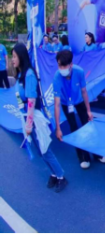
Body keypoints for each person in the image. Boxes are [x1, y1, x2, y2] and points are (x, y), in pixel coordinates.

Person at [12, 43, 67, 192]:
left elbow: (31, 101)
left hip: (34, 118)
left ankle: (61, 176)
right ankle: (53, 174)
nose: (13, 59)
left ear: (21, 57)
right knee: (40, 151)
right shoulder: (20, 75)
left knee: (45, 149)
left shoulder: (29, 75)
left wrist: (29, 124)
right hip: (27, 117)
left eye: (15, 56)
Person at [53, 50, 105, 169]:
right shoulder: (57, 77)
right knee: (74, 128)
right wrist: (58, 128)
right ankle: (83, 157)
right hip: (65, 103)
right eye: (59, 65)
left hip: (79, 101)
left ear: (71, 64)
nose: (61, 68)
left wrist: (89, 110)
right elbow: (57, 104)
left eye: (64, 66)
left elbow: (84, 91)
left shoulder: (79, 71)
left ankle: (96, 154)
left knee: (87, 126)